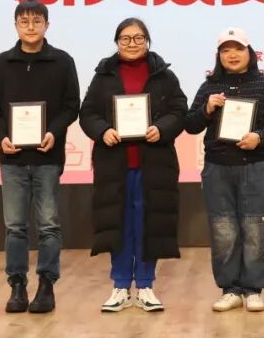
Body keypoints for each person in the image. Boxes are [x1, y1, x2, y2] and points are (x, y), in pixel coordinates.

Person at [79, 17, 187, 313]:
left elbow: (180, 110)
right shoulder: (104, 75)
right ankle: (120, 285)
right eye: (125, 38)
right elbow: (87, 113)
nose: (132, 43)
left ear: (147, 41)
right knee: (119, 224)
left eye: (138, 38)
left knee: (149, 224)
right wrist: (102, 130)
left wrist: (162, 128)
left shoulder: (164, 75)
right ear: (117, 42)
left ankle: (146, 285)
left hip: (155, 165)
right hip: (115, 166)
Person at [0, 0, 80, 314]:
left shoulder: (62, 61)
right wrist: (2, 137)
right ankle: (17, 285)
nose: (31, 27)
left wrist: (53, 132)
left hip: (47, 156)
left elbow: (72, 106)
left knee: (49, 224)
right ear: (15, 26)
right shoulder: (1, 63)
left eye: (37, 21)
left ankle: (47, 285)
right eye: (24, 21)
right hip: (11, 158)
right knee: (15, 226)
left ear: (47, 25)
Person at [185, 27, 264, 312]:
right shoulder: (209, 86)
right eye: (226, 50)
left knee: (257, 228)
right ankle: (230, 289)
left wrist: (259, 137)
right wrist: (206, 109)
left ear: (249, 52)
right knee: (223, 230)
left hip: (254, 166)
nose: (232, 54)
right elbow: (190, 124)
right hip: (217, 168)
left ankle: (253, 289)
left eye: (238, 48)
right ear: (219, 55)